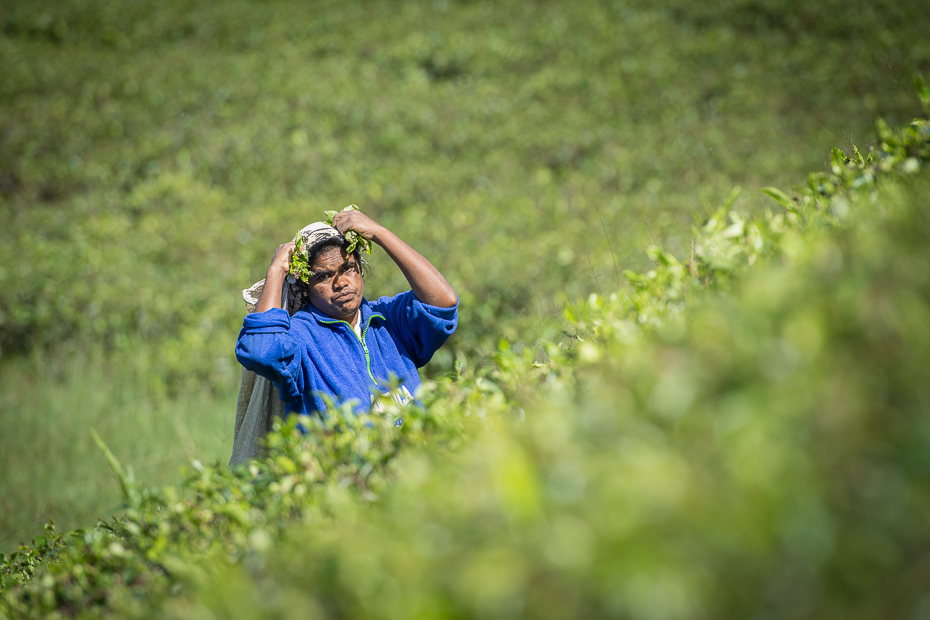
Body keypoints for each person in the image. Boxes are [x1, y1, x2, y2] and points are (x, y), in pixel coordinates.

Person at [235, 208, 458, 420]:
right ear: (304, 287)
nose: (341, 283)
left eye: (348, 269)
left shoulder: (387, 319)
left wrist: (379, 233)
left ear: (360, 269)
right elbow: (260, 351)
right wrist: (277, 271)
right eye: (323, 276)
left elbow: (443, 302)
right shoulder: (300, 338)